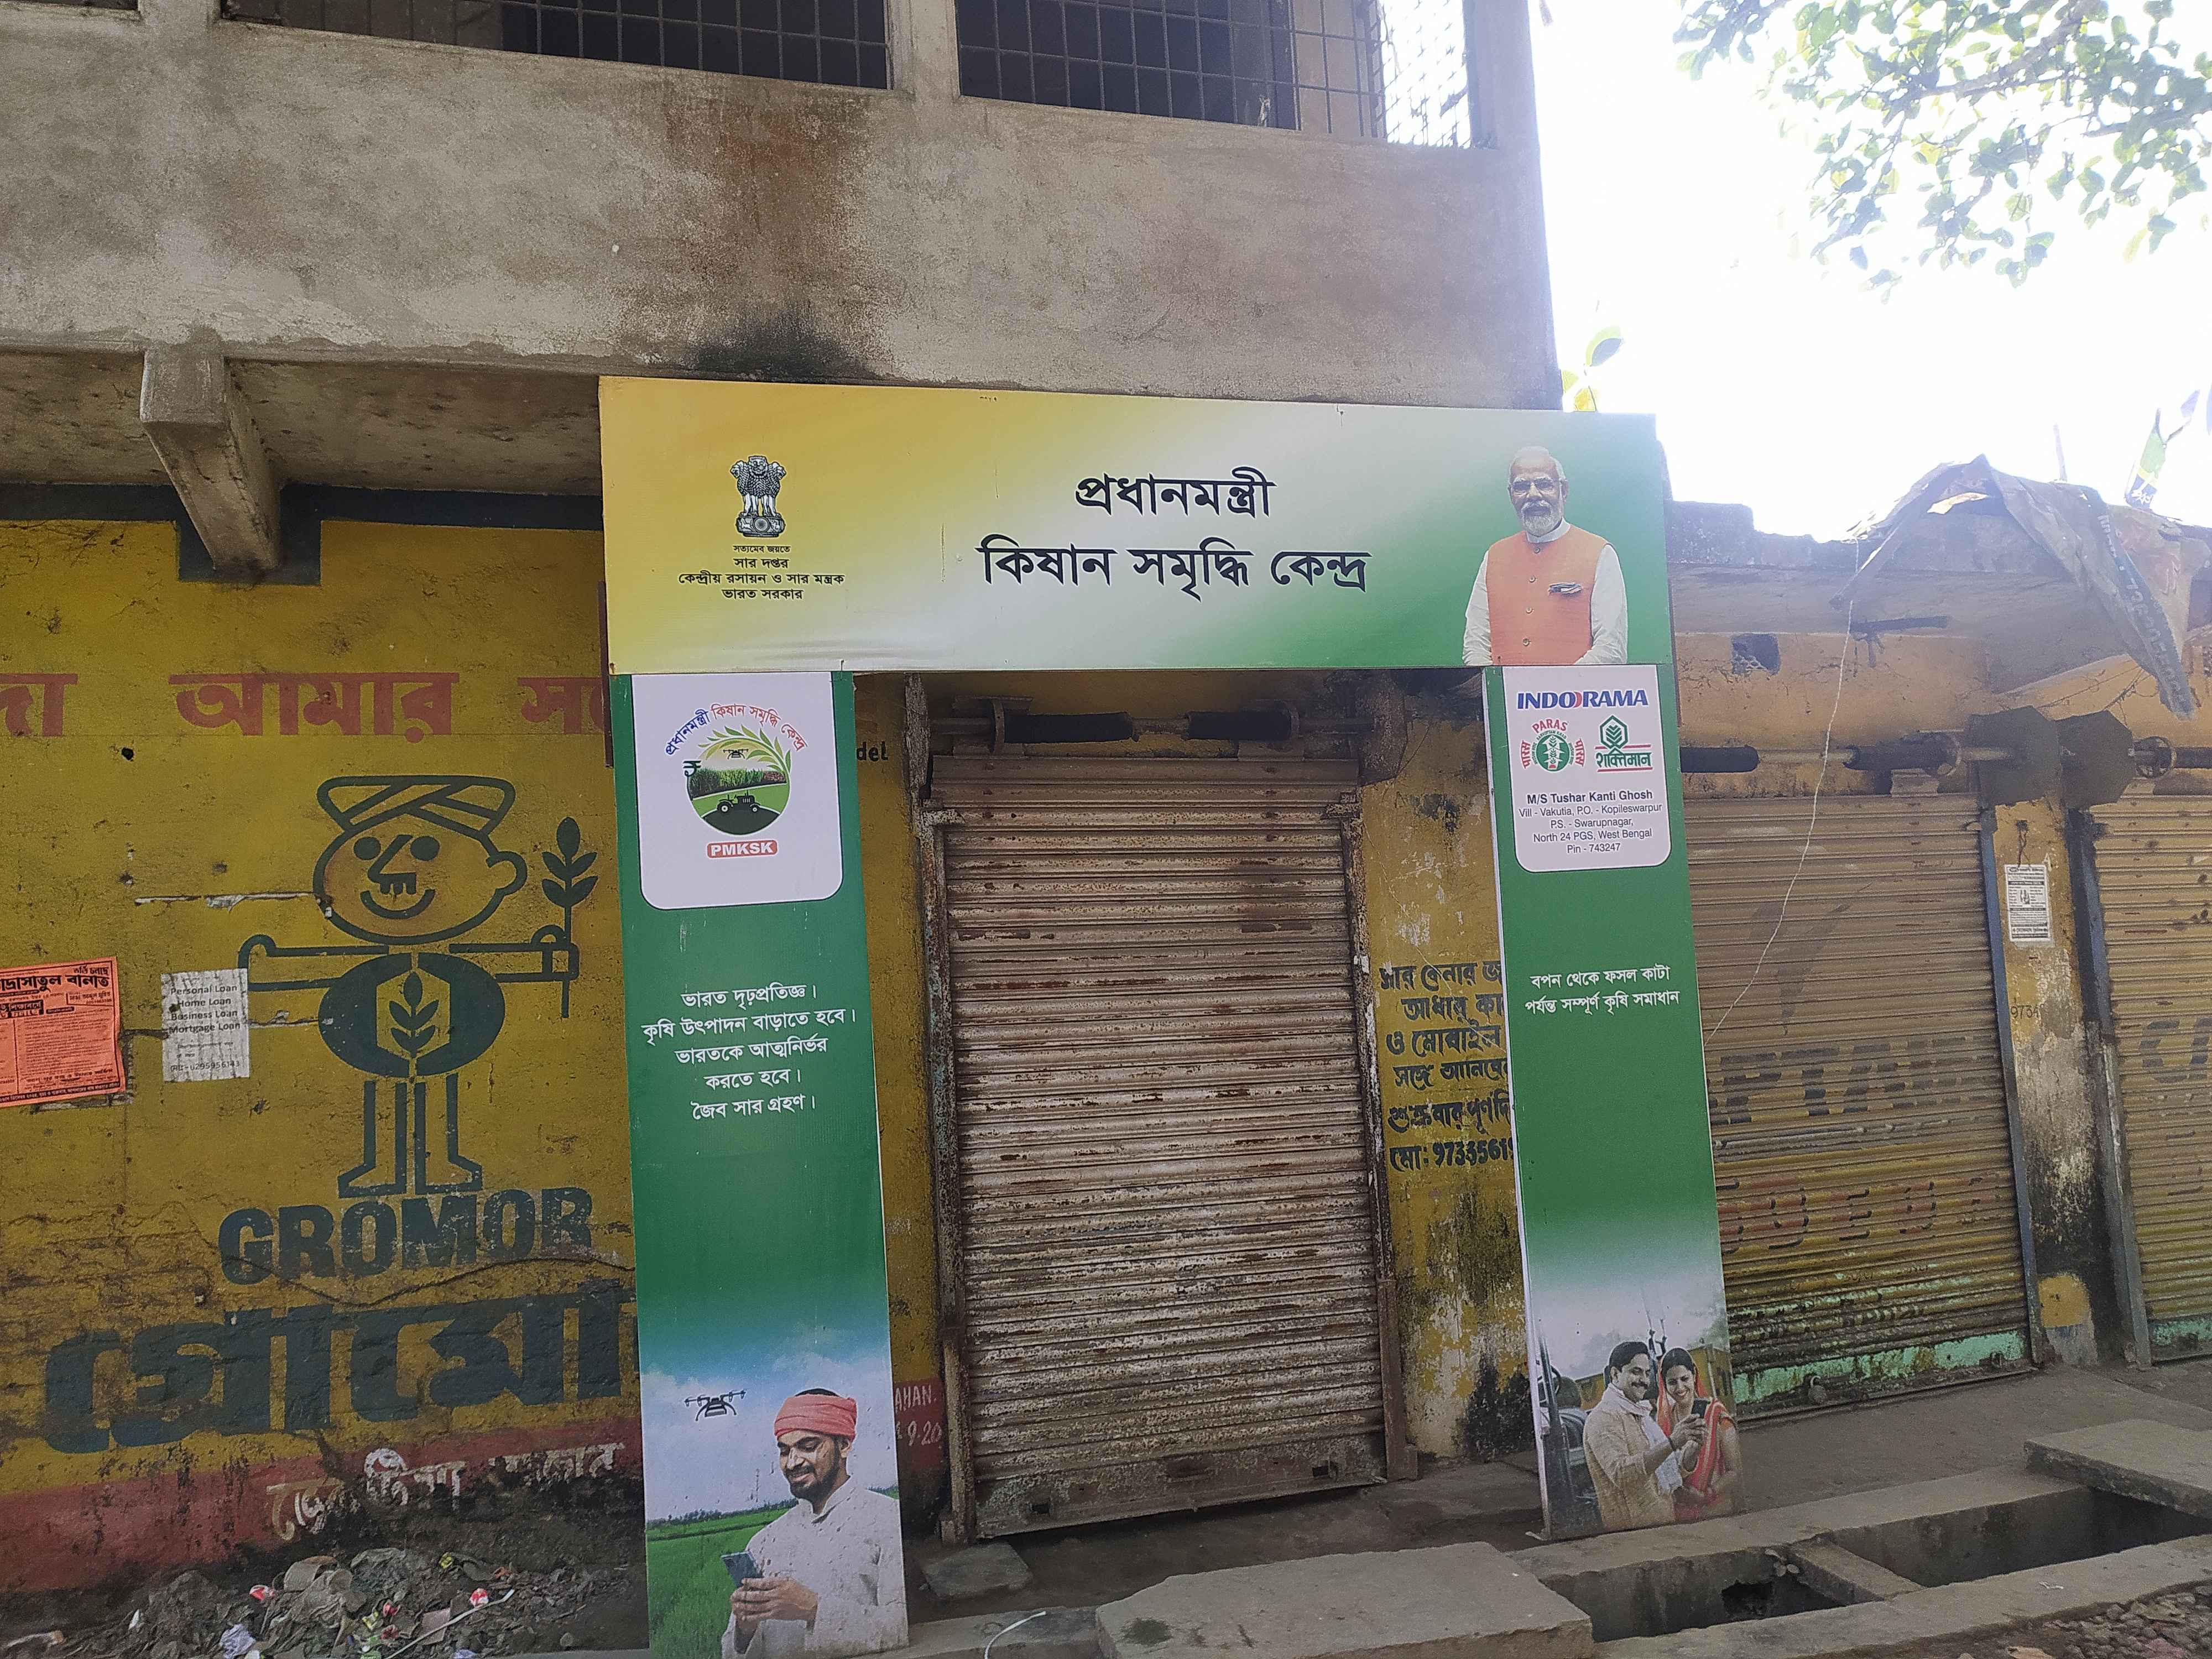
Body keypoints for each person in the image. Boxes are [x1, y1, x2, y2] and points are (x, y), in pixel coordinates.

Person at [723, 1390, 905, 1658]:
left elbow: (901, 1628)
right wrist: (744, 1628)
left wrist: (813, 1609)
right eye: (785, 1451)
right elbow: (733, 1652)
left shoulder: (888, 1520)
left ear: (844, 1446)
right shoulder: (764, 1541)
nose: (793, 1462)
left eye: (808, 1446)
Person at [1461, 446, 1629, 667]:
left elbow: (1611, 649)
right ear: (1511, 496)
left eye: (1543, 484)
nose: (1533, 495)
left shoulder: (1600, 553)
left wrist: (1556, 685)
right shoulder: (1494, 556)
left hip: (1577, 689)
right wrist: (1497, 685)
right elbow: (1476, 644)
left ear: (1564, 491)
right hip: (1504, 689)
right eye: (1522, 487)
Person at [1579, 1340, 1703, 1532]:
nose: (1644, 1380)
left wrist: (1693, 1448)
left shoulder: (1641, 1415)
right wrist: (1672, 1442)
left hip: (1663, 1524)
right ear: (1615, 1374)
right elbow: (1622, 1474)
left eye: (1647, 1373)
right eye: (1636, 1372)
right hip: (1633, 1532)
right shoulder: (1603, 1417)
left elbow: (1670, 1468)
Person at [1656, 1348, 1740, 1521]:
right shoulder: (1665, 1419)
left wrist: (1705, 1496)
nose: (1680, 1388)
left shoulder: (1717, 1416)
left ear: (1694, 1375)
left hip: (1716, 1512)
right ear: (1665, 1385)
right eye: (1673, 1382)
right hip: (1681, 1516)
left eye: (1684, 1379)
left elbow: (1735, 1471)